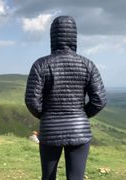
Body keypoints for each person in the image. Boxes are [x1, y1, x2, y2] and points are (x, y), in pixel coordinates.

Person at [25, 15, 107, 180]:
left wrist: (47, 115)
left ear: (53, 36)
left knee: (48, 177)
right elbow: (99, 100)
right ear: (74, 36)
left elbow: (31, 100)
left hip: (50, 130)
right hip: (79, 129)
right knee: (75, 177)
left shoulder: (40, 64)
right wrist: (81, 114)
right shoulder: (87, 64)